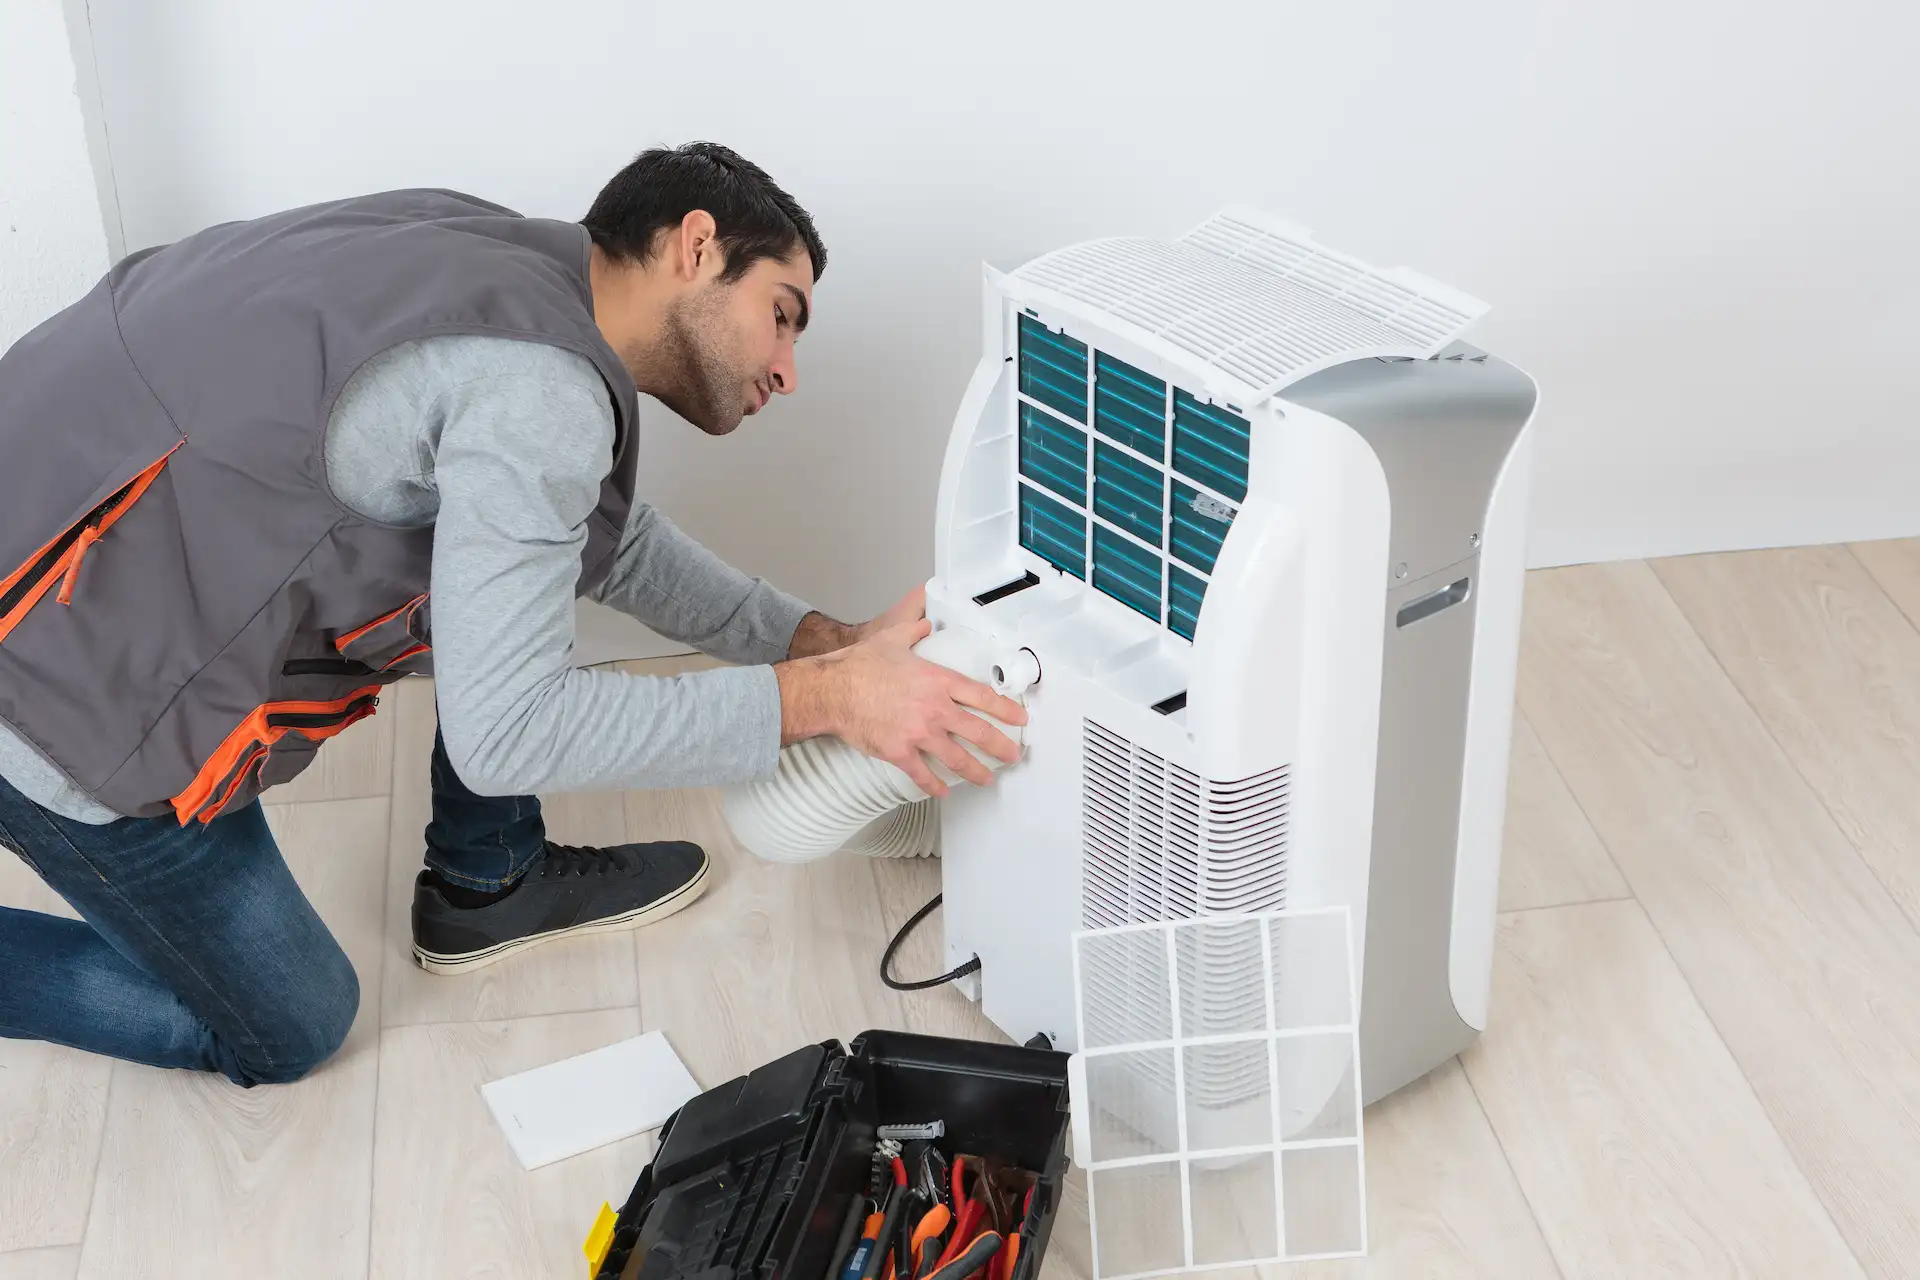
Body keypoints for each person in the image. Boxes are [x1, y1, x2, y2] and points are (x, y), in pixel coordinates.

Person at [0, 142, 1025, 1087]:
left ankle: (486, 879)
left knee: (504, 576)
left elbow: (587, 532)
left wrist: (821, 643)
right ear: (697, 245)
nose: (787, 371)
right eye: (783, 313)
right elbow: (506, 733)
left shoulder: (491, 256)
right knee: (292, 1022)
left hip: (67, 553)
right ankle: (482, 877)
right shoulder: (539, 389)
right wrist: (824, 699)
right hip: (55, 690)